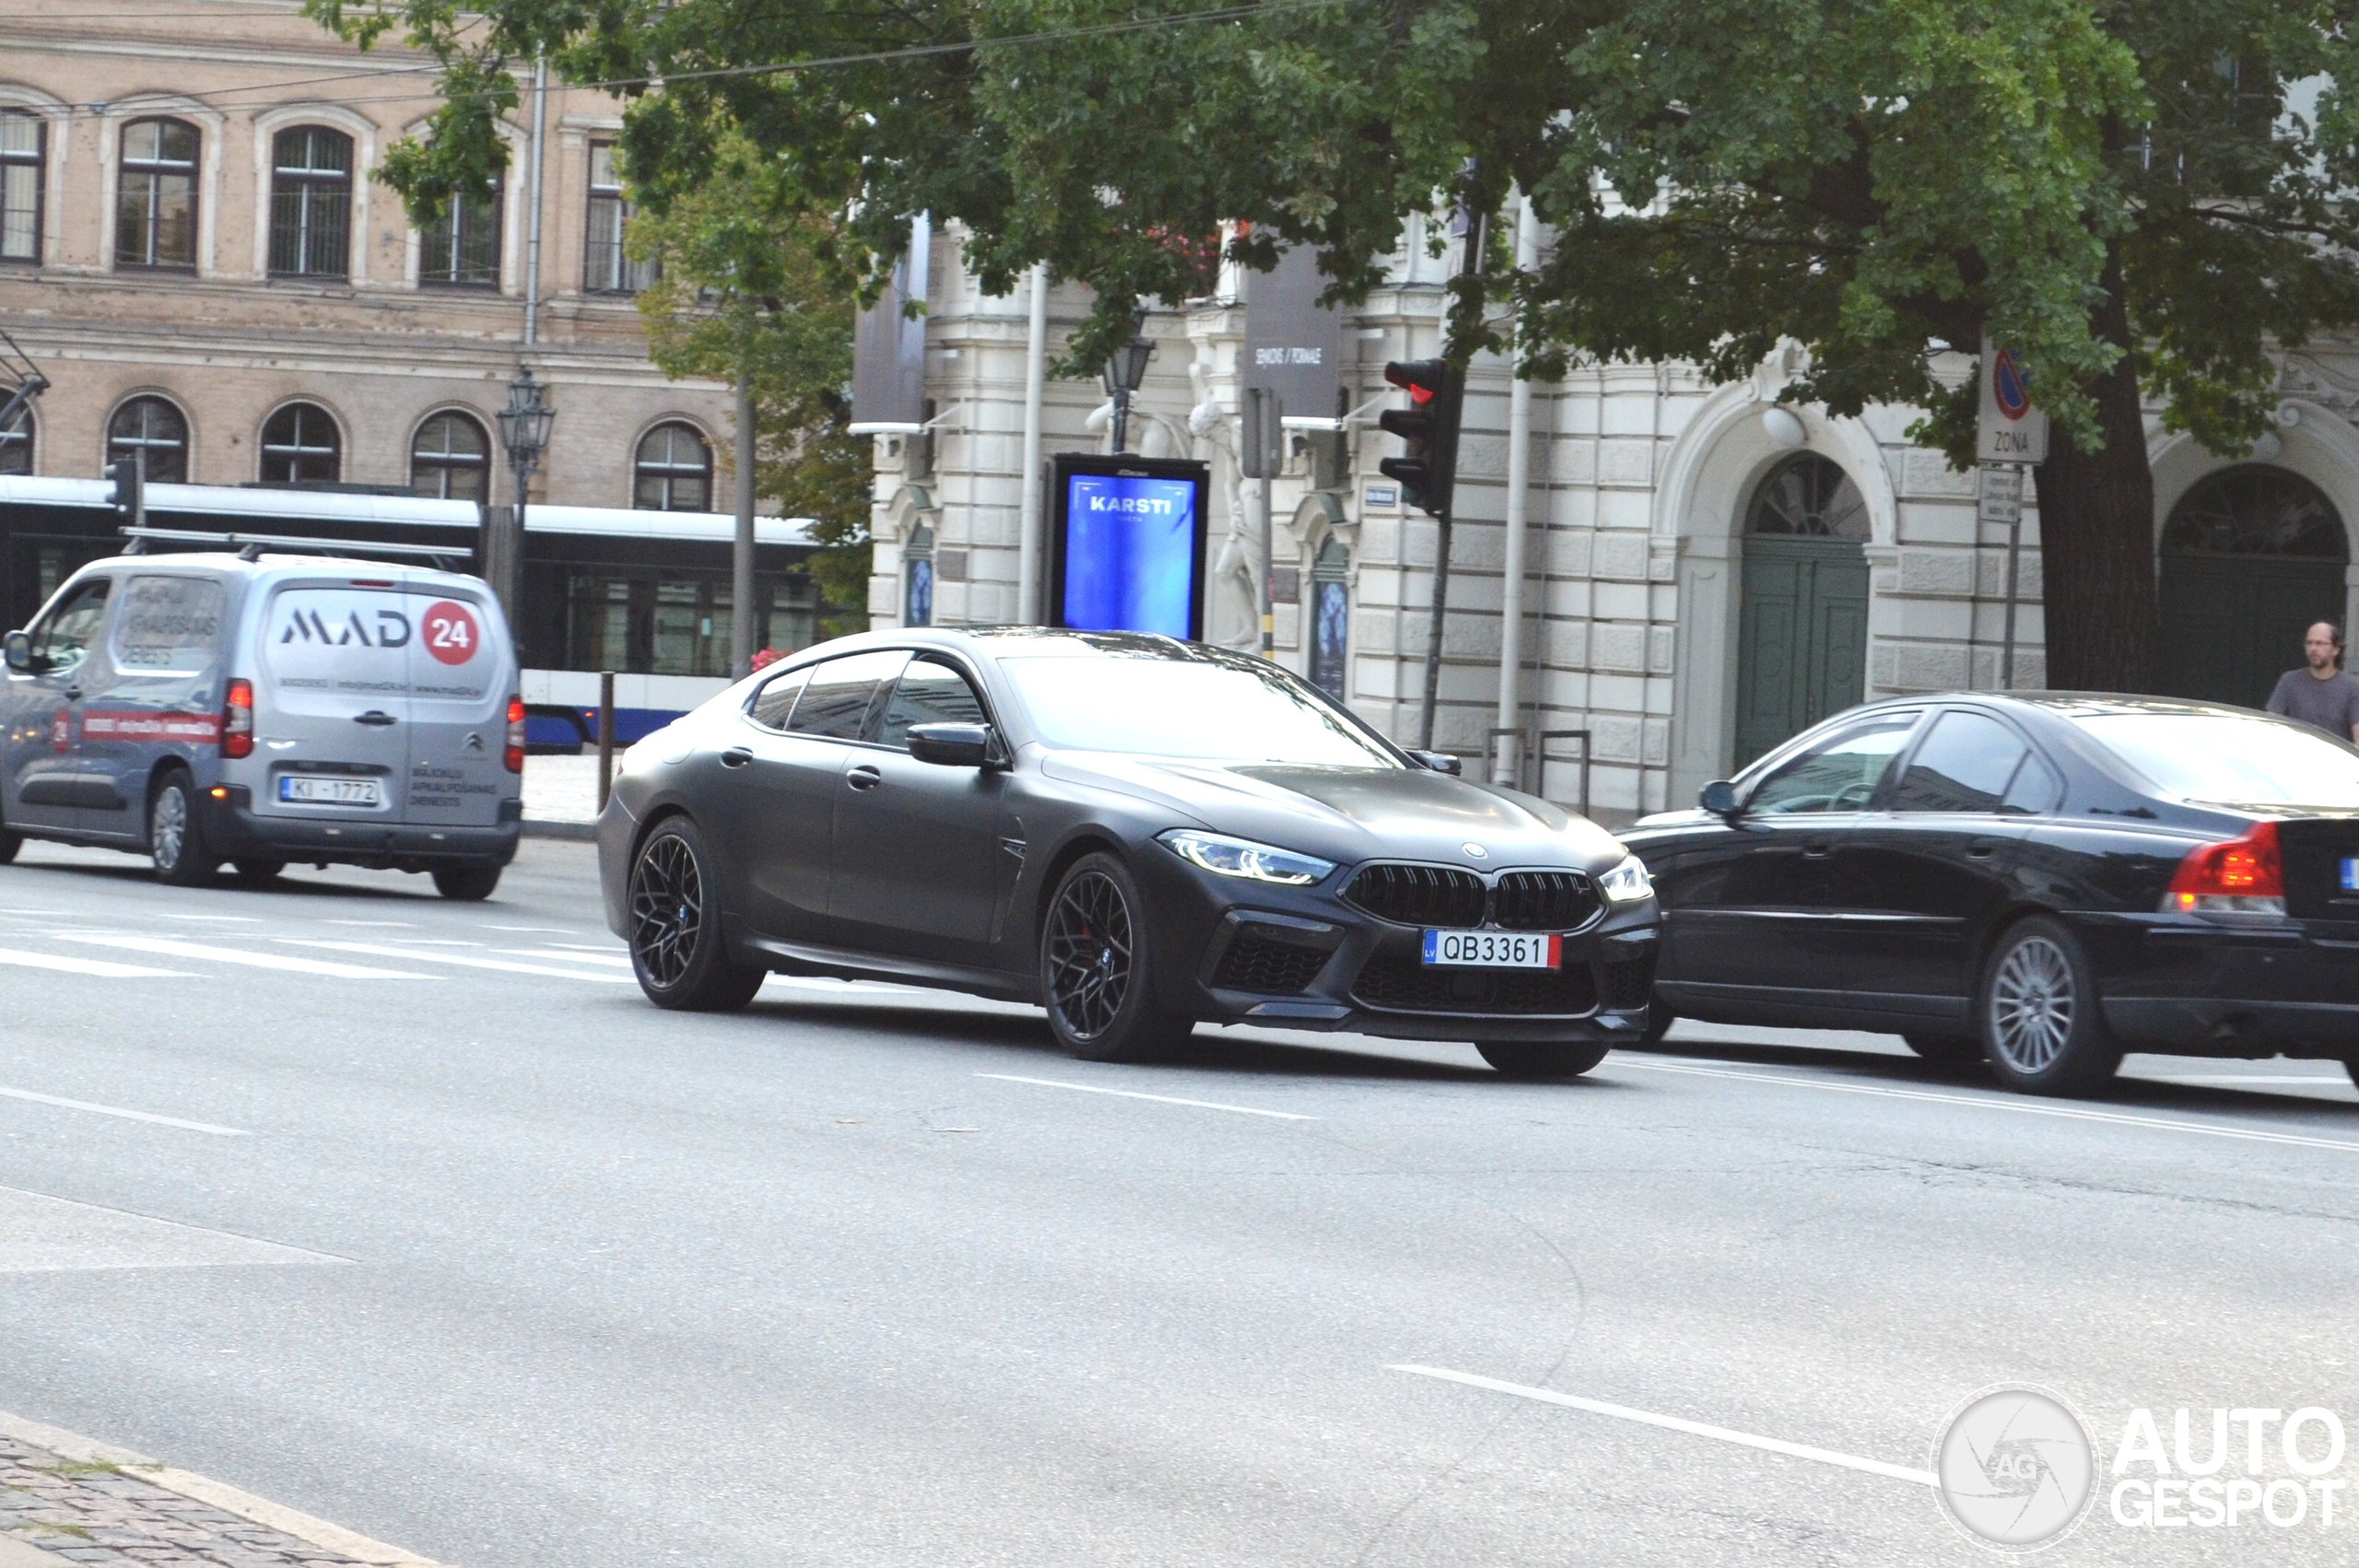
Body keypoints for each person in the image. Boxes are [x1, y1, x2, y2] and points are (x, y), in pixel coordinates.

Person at [2264, 621, 2359, 743]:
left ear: (2335, 650)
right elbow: (2271, 725)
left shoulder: (2350, 687)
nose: (2313, 648)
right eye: (2309, 643)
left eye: (2320, 643)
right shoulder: (2289, 681)